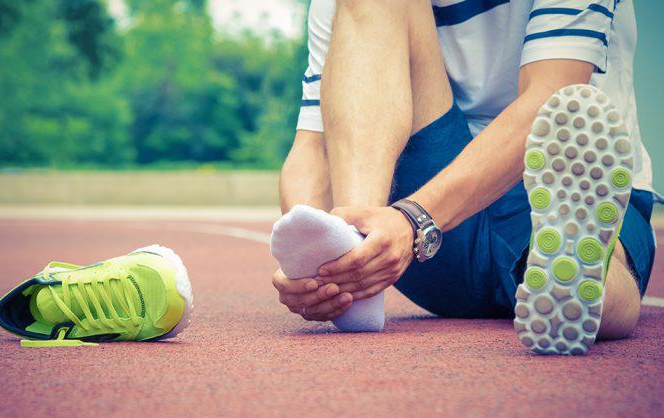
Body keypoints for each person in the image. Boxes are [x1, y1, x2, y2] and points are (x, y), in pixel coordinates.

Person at [269, 0, 659, 355]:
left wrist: (413, 218)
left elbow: (553, 98)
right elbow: (313, 148)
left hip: (545, 186)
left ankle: (584, 283)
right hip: (410, 239)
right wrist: (315, 264)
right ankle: (358, 258)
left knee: (590, 271)